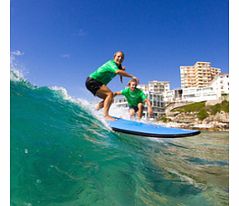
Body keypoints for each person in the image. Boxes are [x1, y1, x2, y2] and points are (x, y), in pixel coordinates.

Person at [85, 51, 139, 121]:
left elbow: (119, 70)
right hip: (93, 81)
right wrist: (132, 76)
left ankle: (95, 110)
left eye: (122, 58)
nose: (120, 58)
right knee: (110, 94)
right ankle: (106, 115)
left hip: (93, 83)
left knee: (110, 99)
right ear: (114, 57)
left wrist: (121, 69)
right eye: (118, 56)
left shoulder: (117, 66)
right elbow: (117, 72)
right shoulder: (111, 63)